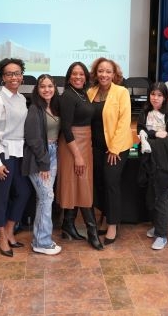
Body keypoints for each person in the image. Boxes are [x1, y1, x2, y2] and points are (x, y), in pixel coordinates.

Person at [0, 58, 32, 257]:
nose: (14, 77)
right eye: (9, 74)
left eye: (17, 73)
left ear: (22, 76)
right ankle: (2, 236)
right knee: (2, 197)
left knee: (23, 192)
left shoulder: (21, 99)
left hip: (20, 152)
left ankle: (11, 229)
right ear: (3, 77)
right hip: (4, 154)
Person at [57, 62, 103, 250]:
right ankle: (92, 232)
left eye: (81, 74)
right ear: (69, 77)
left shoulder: (83, 93)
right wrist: (77, 155)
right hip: (72, 144)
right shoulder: (68, 96)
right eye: (74, 74)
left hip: (85, 142)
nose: (78, 77)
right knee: (82, 185)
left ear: (86, 77)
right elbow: (66, 128)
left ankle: (68, 226)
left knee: (79, 184)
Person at [88, 57, 132, 245]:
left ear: (114, 74)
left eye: (108, 71)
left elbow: (124, 121)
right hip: (95, 147)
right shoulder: (90, 92)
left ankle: (113, 225)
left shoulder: (121, 92)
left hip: (116, 148)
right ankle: (105, 216)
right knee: (99, 184)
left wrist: (114, 149)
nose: (104, 74)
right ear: (96, 73)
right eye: (101, 71)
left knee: (111, 183)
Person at [137, 82, 168, 250]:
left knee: (161, 197)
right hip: (148, 160)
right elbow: (140, 130)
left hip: (163, 163)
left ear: (165, 97)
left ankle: (162, 235)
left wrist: (150, 139)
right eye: (153, 94)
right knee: (152, 195)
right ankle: (157, 226)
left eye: (159, 95)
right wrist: (155, 134)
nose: (155, 98)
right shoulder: (145, 111)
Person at [22, 74, 62, 255]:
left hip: (54, 153)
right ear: (37, 90)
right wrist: (44, 163)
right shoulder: (34, 109)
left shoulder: (54, 107)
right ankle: (42, 242)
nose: (47, 89)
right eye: (43, 86)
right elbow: (33, 139)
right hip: (40, 158)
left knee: (44, 199)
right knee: (47, 197)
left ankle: (39, 239)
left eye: (50, 86)